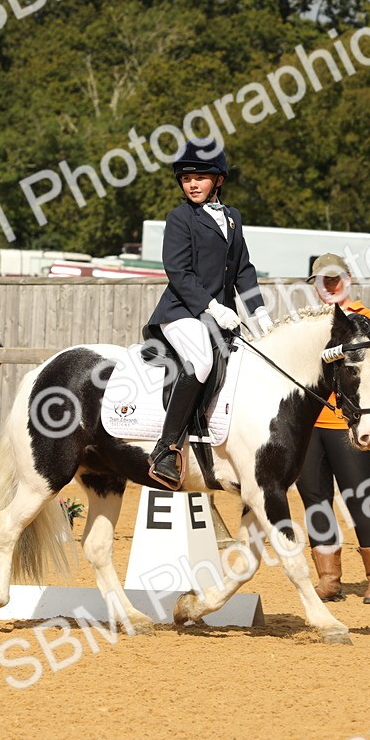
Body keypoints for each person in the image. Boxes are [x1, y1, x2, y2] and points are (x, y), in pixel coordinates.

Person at [145, 140, 272, 490]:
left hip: (221, 317)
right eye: (186, 179)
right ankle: (166, 449)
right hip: (181, 312)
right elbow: (178, 271)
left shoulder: (233, 218)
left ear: (218, 180)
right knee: (201, 360)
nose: (192, 185)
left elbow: (243, 269)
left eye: (200, 178)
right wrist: (212, 307)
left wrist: (259, 312)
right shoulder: (180, 217)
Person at [297, 253, 370, 604]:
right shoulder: (308, 323)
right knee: (315, 500)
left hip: (346, 423)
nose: (330, 286)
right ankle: (328, 577)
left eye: (335, 279)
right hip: (309, 423)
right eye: (323, 281)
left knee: (359, 498)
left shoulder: (367, 320)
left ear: (347, 280)